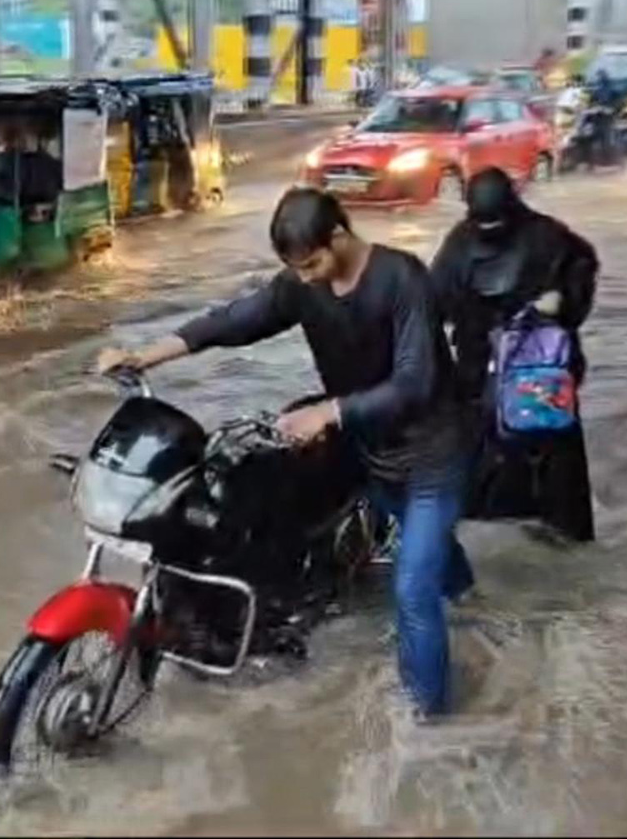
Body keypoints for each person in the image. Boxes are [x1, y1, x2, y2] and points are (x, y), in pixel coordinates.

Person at [98, 187, 473, 717]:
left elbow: (416, 382)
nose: (304, 277)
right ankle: (469, 598)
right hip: (372, 452)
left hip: (432, 453)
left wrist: (329, 412)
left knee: (411, 590)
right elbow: (233, 321)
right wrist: (145, 356)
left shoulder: (402, 278)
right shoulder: (303, 286)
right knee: (419, 539)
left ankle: (429, 723)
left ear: (338, 237)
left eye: (312, 262)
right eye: (295, 269)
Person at [431, 168, 599, 544]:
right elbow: (434, 304)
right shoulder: (460, 244)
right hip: (481, 377)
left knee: (554, 470)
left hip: (539, 378)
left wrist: (564, 301)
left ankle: (559, 543)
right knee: (485, 469)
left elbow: (581, 272)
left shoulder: (551, 238)